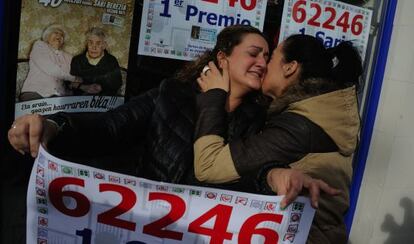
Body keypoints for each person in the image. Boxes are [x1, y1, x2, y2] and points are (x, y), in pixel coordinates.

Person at [8, 26, 335, 209]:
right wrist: (53, 125)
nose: (263, 62)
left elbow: (253, 174)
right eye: (254, 53)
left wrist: (275, 176)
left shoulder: (259, 119)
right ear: (222, 57)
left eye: (267, 56)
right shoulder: (171, 95)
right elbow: (108, 128)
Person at [194, 34, 363, 243]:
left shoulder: (300, 126)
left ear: (289, 67)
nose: (263, 65)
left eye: (270, 58)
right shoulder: (316, 114)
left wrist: (213, 97)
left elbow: (209, 166)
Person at [20, 24, 78, 101]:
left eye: (61, 35)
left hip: (59, 97)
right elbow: (50, 68)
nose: (59, 36)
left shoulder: (68, 56)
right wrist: (74, 78)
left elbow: (76, 72)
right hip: (35, 92)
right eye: (56, 33)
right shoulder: (39, 45)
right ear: (47, 36)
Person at [70, 27, 122, 96]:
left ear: (104, 46)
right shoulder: (77, 60)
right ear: (87, 44)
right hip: (81, 100)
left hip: (105, 100)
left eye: (98, 43)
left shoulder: (111, 61)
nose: (94, 47)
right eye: (90, 43)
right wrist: (83, 87)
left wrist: (102, 87)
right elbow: (69, 83)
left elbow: (117, 83)